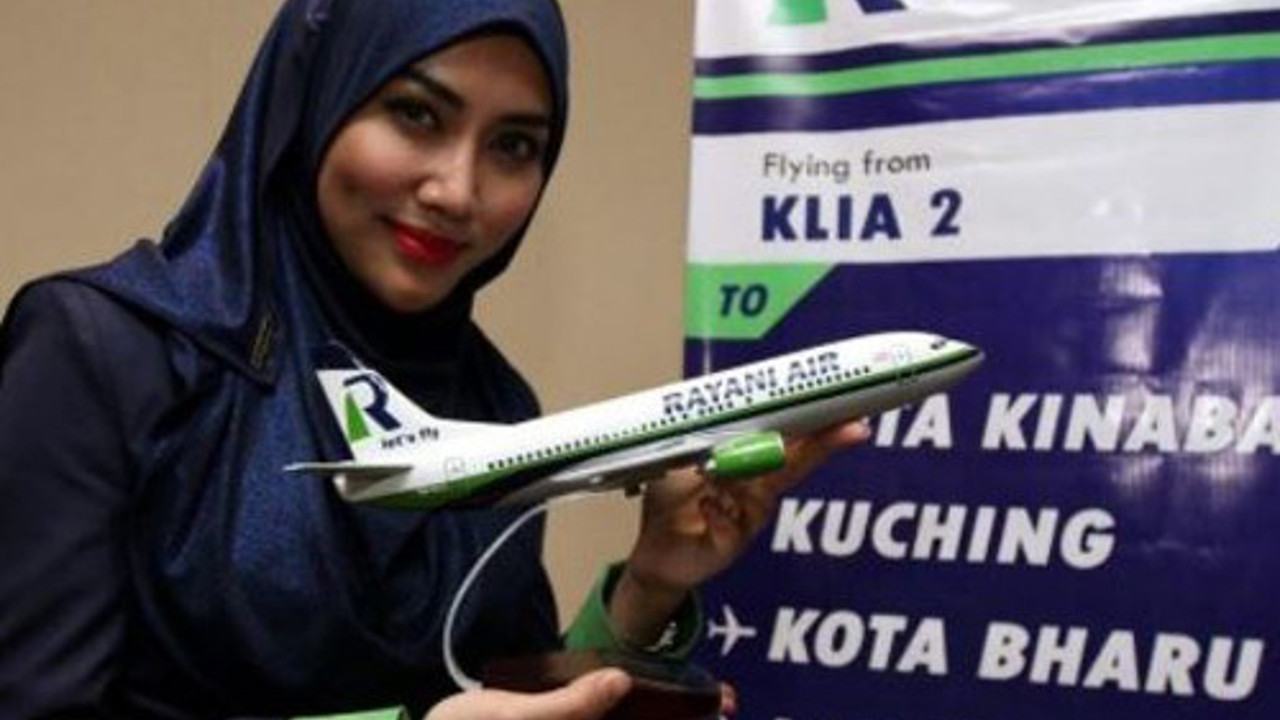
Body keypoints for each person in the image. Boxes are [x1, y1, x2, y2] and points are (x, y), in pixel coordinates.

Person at [0, 1, 869, 718]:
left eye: (514, 146)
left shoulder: (495, 406)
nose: (457, 190)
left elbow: (495, 692)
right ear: (319, 98)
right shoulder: (106, 352)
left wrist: (649, 588)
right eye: (417, 114)